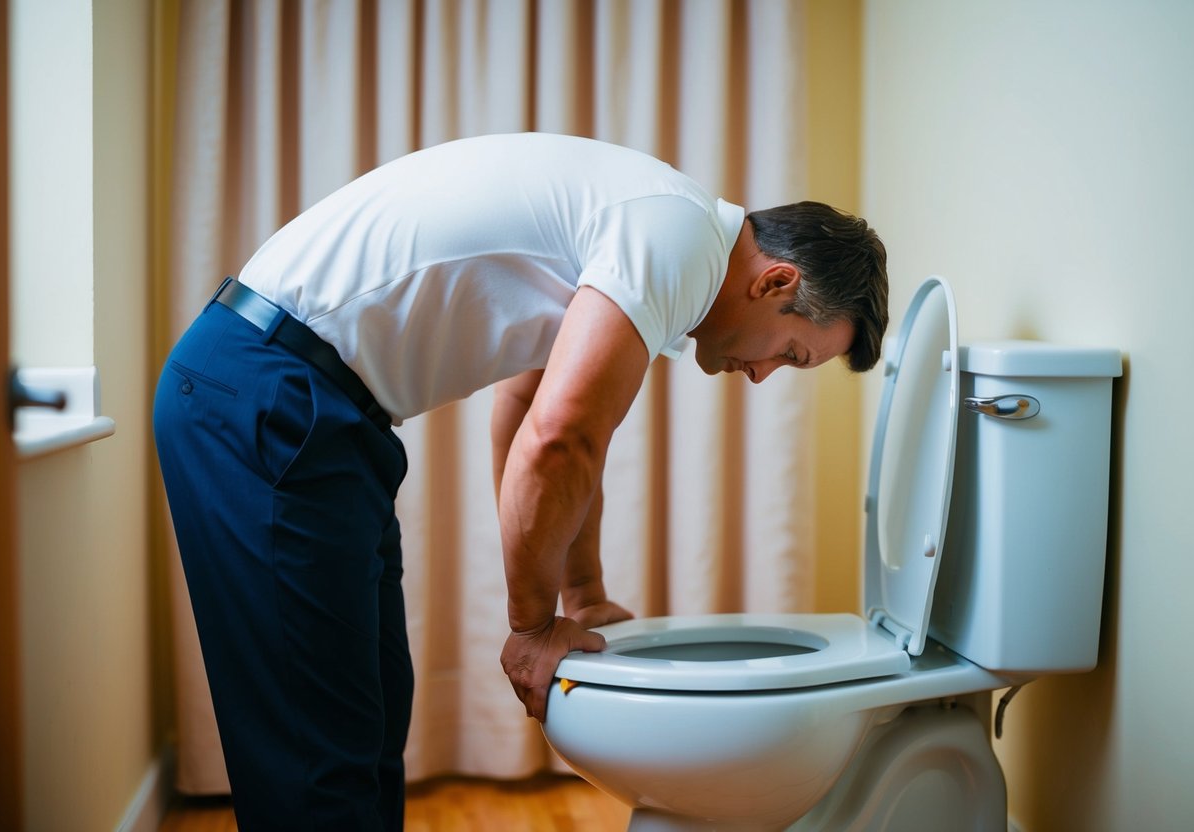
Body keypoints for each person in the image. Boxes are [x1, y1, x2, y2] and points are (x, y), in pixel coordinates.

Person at [153, 132, 888, 831]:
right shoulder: (677, 237)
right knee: (313, 748)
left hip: (315, 411)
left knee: (365, 720)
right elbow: (560, 439)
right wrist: (533, 628)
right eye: (790, 354)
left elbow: (531, 413)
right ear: (775, 280)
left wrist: (583, 595)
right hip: (264, 393)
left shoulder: (661, 229)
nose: (761, 376)